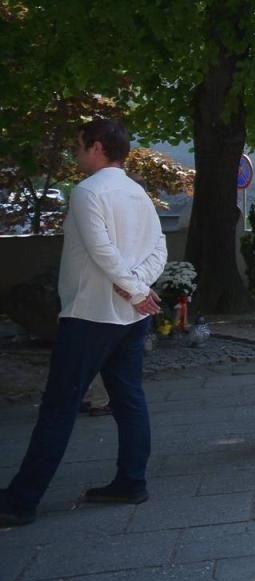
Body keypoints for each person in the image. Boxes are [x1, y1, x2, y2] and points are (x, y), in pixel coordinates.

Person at [0, 119, 167, 527]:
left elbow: (101, 251)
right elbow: (158, 248)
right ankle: (131, 481)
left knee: (60, 405)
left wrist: (135, 289)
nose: (75, 153)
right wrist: (140, 288)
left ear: (96, 147)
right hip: (129, 316)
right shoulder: (137, 192)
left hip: (91, 314)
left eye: (79, 145)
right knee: (128, 398)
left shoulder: (87, 192)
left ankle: (22, 500)